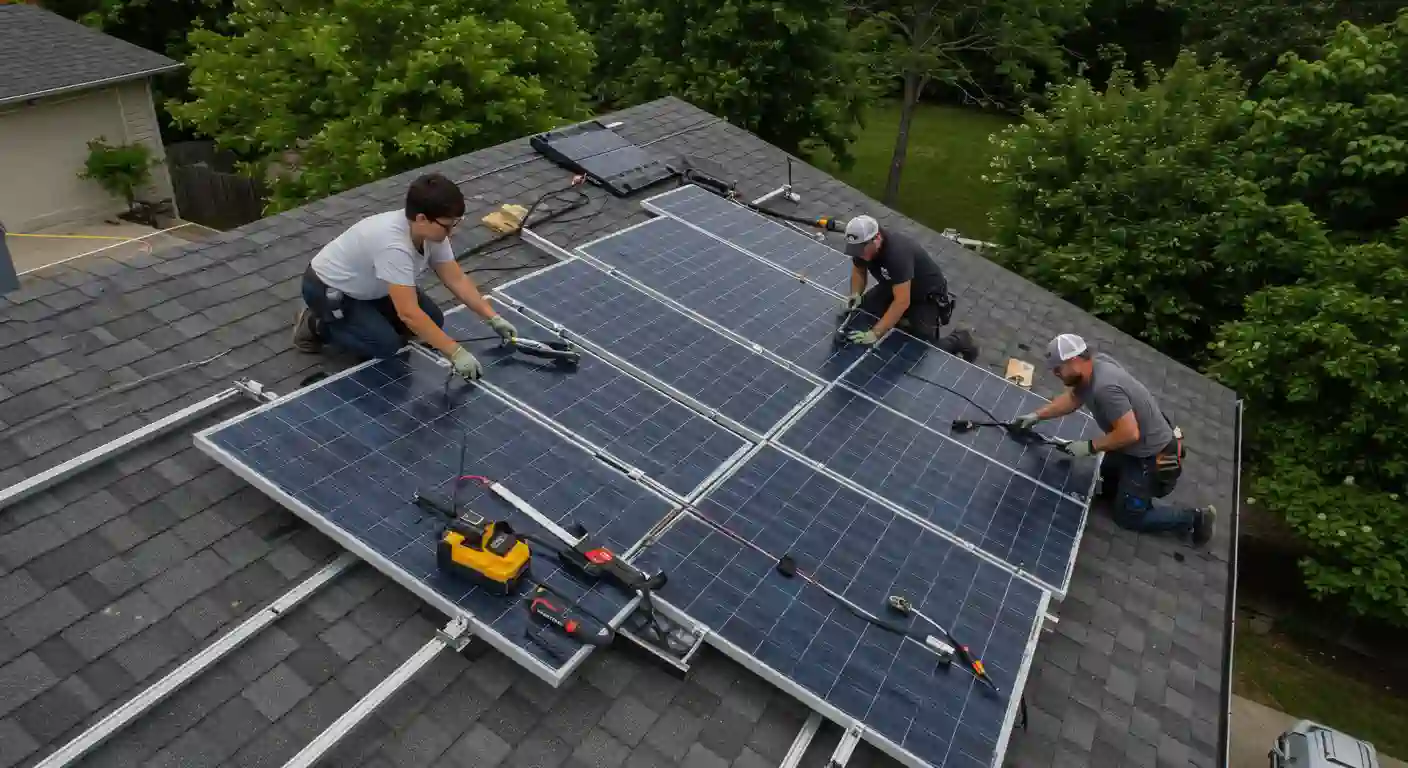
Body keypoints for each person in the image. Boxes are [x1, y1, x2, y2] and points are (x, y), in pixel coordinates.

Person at [292, 173, 515, 381]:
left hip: (374, 286)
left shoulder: (431, 233)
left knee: (434, 320)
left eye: (455, 224)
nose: (452, 232)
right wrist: (455, 352)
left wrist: (491, 317)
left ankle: (367, 321)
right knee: (385, 346)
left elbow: (455, 279)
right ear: (421, 218)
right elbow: (408, 313)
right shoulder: (393, 245)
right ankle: (315, 324)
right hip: (330, 290)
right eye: (448, 226)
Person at [1015, 333, 1217, 545]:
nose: (1056, 374)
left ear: (1074, 361)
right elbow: (1074, 398)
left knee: (1128, 517)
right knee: (1105, 477)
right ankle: (1124, 493)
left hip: (1151, 456)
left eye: (1058, 368)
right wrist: (1037, 415)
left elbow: (1130, 433)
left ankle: (1195, 519)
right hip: (1130, 447)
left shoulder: (1105, 389)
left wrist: (1089, 446)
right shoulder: (1095, 365)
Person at [840, 215, 953, 344]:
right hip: (894, 286)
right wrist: (855, 293)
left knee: (920, 345)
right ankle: (898, 320)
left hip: (924, 297)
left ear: (876, 239)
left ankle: (958, 339)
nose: (860, 254)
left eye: (862, 251)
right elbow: (859, 270)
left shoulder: (897, 255)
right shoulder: (863, 245)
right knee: (862, 313)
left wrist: (876, 333)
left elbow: (902, 301)